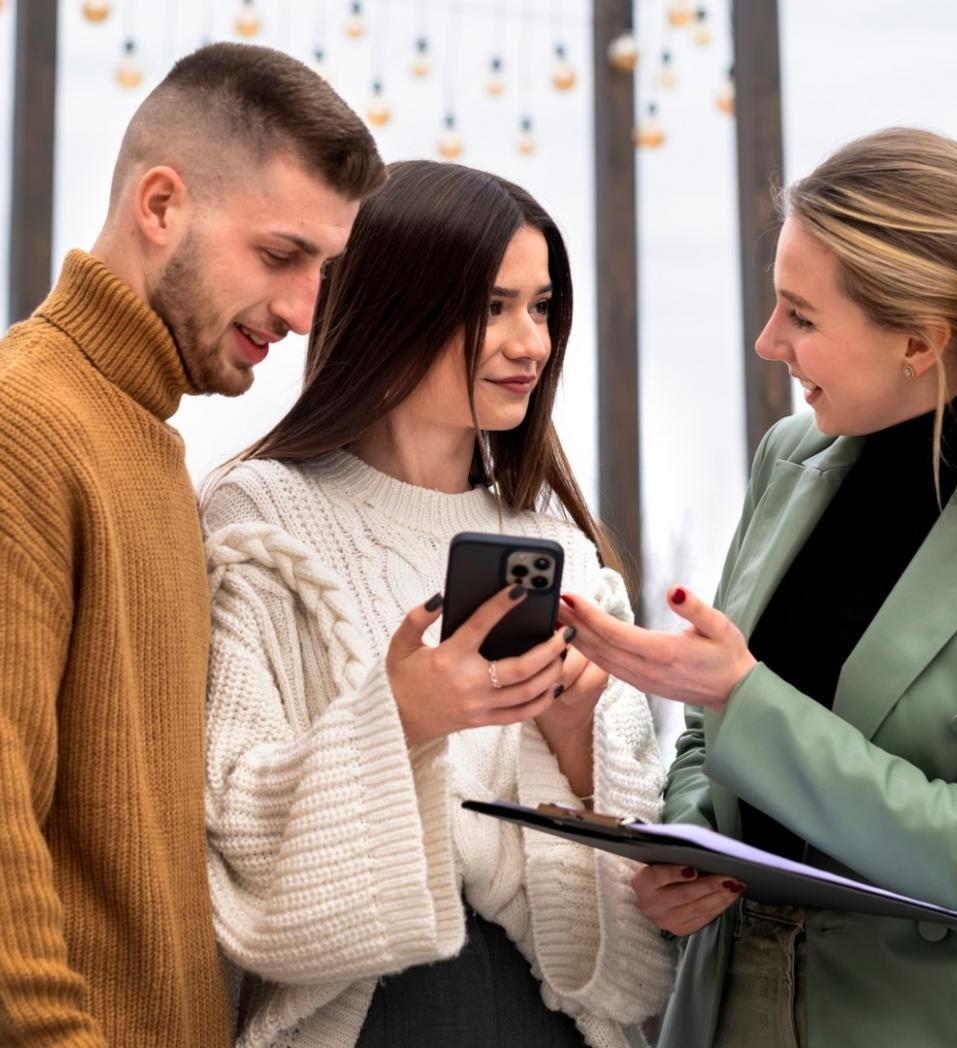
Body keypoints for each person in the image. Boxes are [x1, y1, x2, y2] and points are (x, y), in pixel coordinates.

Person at [555, 127, 957, 1047]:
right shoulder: (792, 459)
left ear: (919, 343)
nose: (770, 342)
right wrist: (690, 855)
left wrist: (740, 693)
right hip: (732, 1009)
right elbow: (705, 742)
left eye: (801, 317)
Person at [0, 43, 384, 1046]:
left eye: (326, 271)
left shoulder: (141, 446)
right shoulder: (5, 430)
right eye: (280, 257)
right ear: (159, 207)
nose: (305, 311)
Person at [200, 160, 675, 1047]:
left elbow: (636, 950)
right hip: (371, 1018)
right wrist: (404, 720)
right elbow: (233, 826)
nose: (529, 342)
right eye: (492, 307)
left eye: (540, 308)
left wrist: (574, 743)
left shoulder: (568, 555)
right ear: (393, 307)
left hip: (559, 1026)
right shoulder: (260, 522)